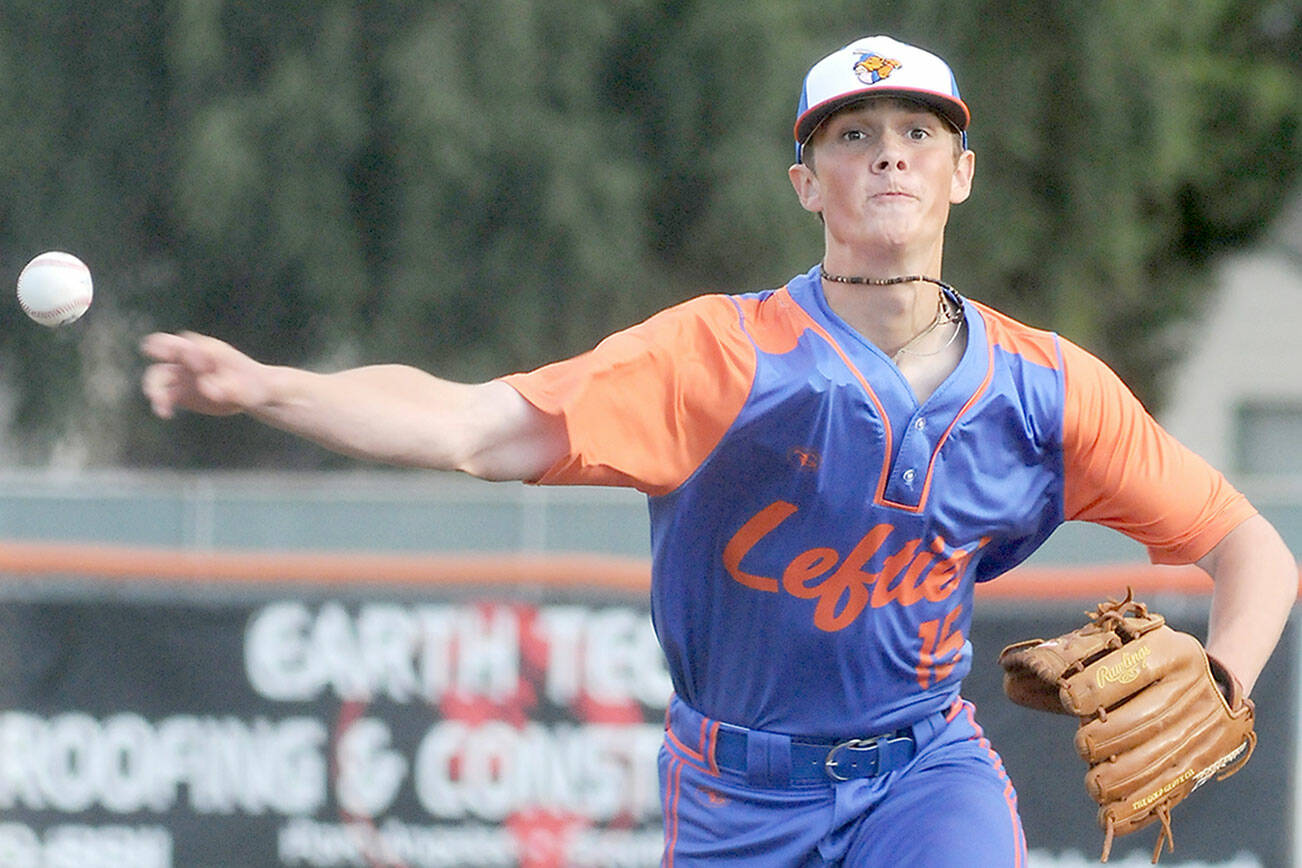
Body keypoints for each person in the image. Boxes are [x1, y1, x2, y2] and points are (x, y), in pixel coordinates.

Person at [142, 34, 1297, 867]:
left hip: (924, 772)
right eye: (852, 135)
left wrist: (1222, 677)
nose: (887, 154)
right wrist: (268, 386)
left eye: (918, 132)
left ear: (962, 173)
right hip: (735, 797)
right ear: (809, 182)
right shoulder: (721, 357)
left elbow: (1252, 547)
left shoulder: (1047, 391)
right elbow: (471, 425)